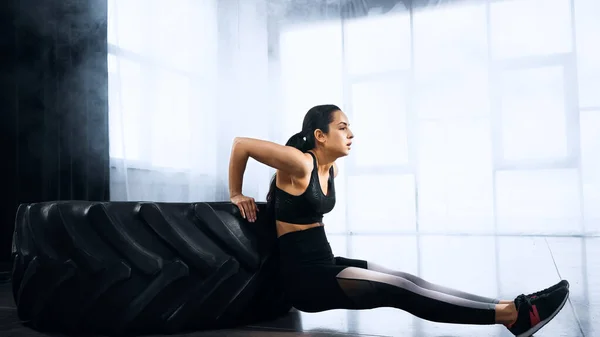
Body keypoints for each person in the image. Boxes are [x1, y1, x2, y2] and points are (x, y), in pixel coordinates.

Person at [228, 104, 570, 337]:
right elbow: (241, 144)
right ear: (320, 135)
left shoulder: (329, 168)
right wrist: (236, 193)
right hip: (305, 279)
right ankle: (515, 317)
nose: (351, 134)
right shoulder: (300, 162)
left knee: (406, 278)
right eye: (342, 127)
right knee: (401, 290)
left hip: (323, 262)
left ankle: (511, 306)